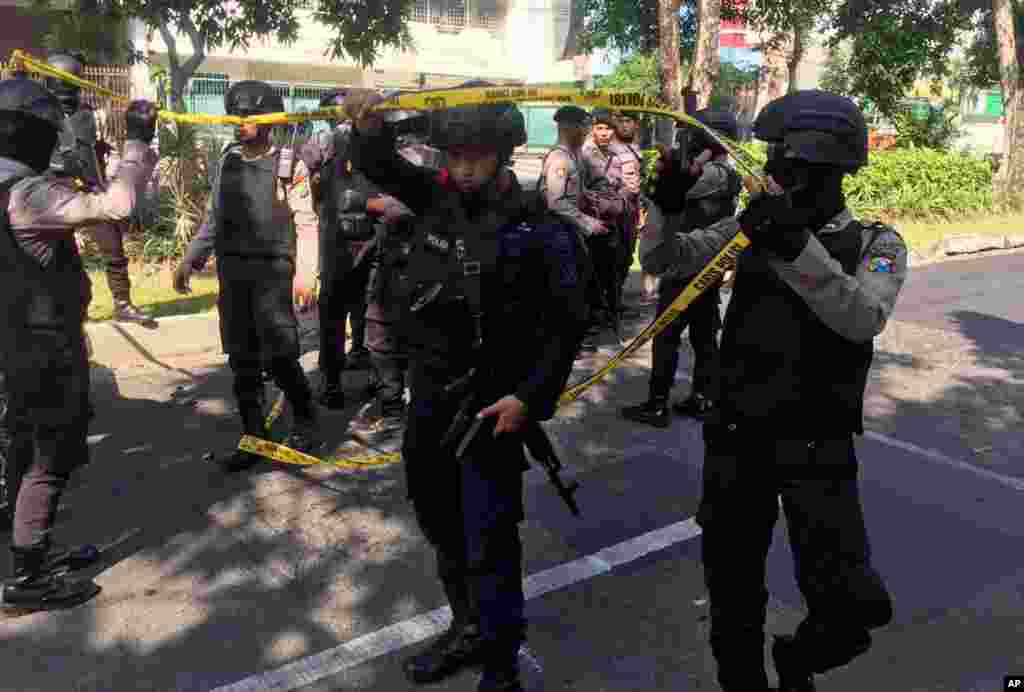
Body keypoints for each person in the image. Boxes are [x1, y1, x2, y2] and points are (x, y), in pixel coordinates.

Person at [640, 90, 904, 691]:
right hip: (739, 436)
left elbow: (862, 317)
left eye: (791, 167)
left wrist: (793, 244)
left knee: (853, 607)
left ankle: (798, 659)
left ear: (832, 170)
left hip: (819, 442)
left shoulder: (876, 244)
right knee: (733, 592)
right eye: (776, 165)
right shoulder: (751, 228)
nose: (777, 177)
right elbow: (665, 258)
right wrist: (668, 205)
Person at [342, 81, 587, 692]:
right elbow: (378, 163)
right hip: (428, 398)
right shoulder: (433, 199)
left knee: (490, 539)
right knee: (440, 526)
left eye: (476, 157)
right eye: (454, 157)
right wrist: (368, 123)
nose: (464, 169)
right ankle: (467, 627)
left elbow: (564, 328)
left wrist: (530, 398)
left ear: (502, 154)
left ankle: (501, 658)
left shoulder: (538, 229)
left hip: (492, 406)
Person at [0, 76, 158, 611]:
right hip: (46, 344)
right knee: (54, 453)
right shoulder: (29, 193)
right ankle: (29, 577)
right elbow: (117, 206)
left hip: (16, 339)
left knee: (25, 445)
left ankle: (32, 551)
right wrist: (137, 143)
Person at [173, 80, 320, 472]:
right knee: (241, 361)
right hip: (234, 274)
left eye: (249, 116)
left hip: (273, 272)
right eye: (236, 116)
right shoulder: (228, 160)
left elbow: (306, 223)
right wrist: (191, 258)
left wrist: (307, 274)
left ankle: (306, 420)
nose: (240, 123)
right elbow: (213, 219)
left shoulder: (290, 164)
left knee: (282, 356)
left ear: (269, 119)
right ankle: (255, 436)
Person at [621, 108, 741, 427]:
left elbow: (663, 192)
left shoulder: (714, 174)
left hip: (688, 263)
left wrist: (672, 171)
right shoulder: (724, 174)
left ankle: (658, 403)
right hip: (705, 262)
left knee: (668, 335)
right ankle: (702, 396)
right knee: (703, 336)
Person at [45, 52, 154, 326]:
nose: (75, 89)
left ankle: (122, 304)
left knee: (112, 247)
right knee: (57, 256)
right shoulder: (40, 111)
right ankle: (64, 310)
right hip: (53, 188)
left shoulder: (86, 114)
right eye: (71, 83)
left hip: (89, 187)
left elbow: (88, 146)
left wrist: (98, 154)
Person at [299, 90, 373, 411]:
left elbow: (315, 196)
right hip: (365, 239)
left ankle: (332, 385)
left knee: (333, 314)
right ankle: (373, 376)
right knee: (367, 308)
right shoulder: (371, 139)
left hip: (337, 242)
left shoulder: (321, 145)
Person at [535, 105, 603, 356]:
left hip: (569, 230)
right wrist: (588, 222)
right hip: (558, 231)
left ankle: (570, 341)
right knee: (565, 290)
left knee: (576, 287)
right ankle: (560, 345)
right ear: (568, 127)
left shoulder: (572, 156)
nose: (587, 131)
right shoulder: (560, 159)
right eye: (583, 126)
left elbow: (573, 192)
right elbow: (555, 201)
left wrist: (590, 197)